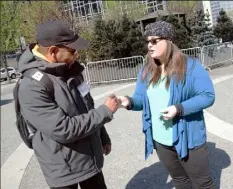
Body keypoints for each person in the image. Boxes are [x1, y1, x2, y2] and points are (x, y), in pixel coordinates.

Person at [17, 20, 120, 189]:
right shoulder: (32, 86)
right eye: (72, 51)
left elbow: (87, 106)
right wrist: (106, 112)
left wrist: (102, 136)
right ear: (53, 51)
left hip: (89, 160)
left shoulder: (72, 70)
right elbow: (63, 129)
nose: (76, 55)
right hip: (63, 169)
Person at [118, 21, 216, 189]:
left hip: (189, 138)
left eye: (154, 41)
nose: (149, 45)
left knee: (203, 184)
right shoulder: (146, 70)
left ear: (169, 41)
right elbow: (141, 99)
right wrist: (129, 102)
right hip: (160, 140)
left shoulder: (190, 66)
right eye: (148, 41)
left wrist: (179, 108)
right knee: (180, 181)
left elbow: (208, 96)